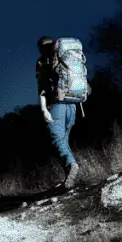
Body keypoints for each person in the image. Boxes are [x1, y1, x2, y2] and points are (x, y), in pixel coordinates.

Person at [36, 35, 86, 189]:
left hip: (56, 103)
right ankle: (69, 181)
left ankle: (71, 165)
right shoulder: (66, 57)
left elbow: (42, 87)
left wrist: (44, 109)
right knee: (63, 141)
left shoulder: (43, 61)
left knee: (56, 139)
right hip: (73, 104)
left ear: (41, 47)